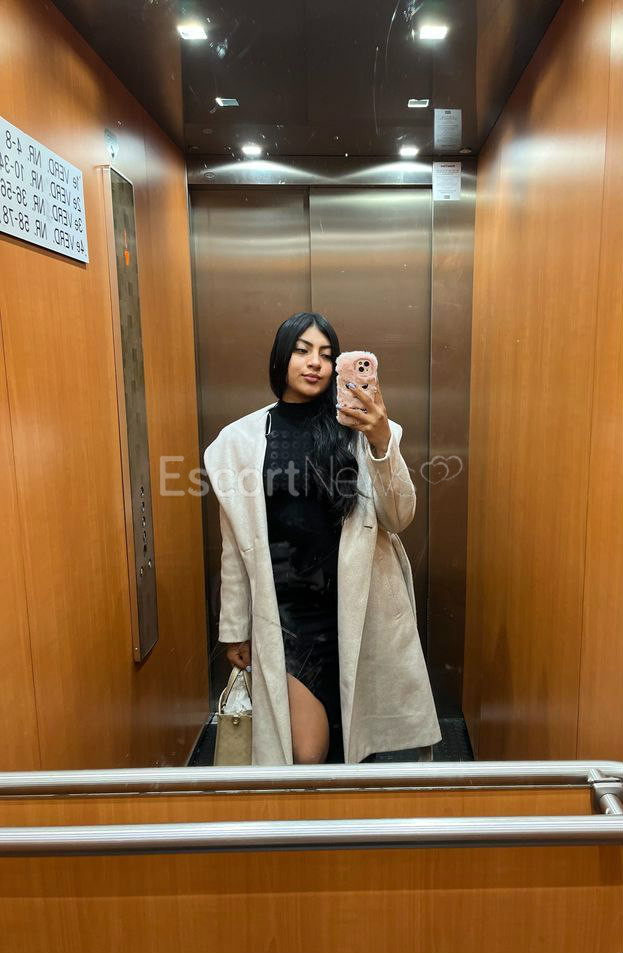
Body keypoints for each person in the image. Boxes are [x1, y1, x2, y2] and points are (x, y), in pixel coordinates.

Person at [203, 312, 441, 765]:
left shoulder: (358, 430)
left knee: (354, 736)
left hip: (356, 606)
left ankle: (351, 809)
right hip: (286, 615)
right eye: (302, 350)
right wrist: (234, 628)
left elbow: (398, 517)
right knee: (307, 751)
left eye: (327, 354)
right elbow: (234, 547)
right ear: (281, 358)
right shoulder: (240, 442)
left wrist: (381, 440)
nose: (315, 362)